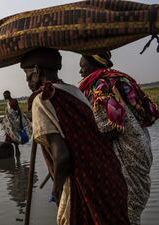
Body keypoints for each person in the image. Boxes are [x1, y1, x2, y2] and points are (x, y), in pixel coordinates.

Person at [21, 48, 130, 225]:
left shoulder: (42, 100)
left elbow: (62, 156)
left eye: (27, 75)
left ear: (37, 71)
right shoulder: (75, 91)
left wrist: (56, 191)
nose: (26, 80)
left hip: (85, 184)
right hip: (109, 176)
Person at [79, 52, 158, 225]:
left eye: (83, 67)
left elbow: (109, 128)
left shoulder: (99, 84)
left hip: (127, 146)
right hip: (141, 142)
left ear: (94, 64)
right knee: (134, 201)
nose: (80, 72)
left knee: (126, 205)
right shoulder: (120, 79)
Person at [1, 90, 30, 155]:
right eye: (3, 95)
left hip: (15, 123)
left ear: (8, 95)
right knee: (11, 139)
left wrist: (21, 123)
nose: (4, 97)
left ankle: (15, 159)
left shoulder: (14, 101)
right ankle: (15, 156)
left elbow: (19, 111)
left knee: (13, 140)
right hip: (10, 124)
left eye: (5, 95)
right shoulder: (8, 103)